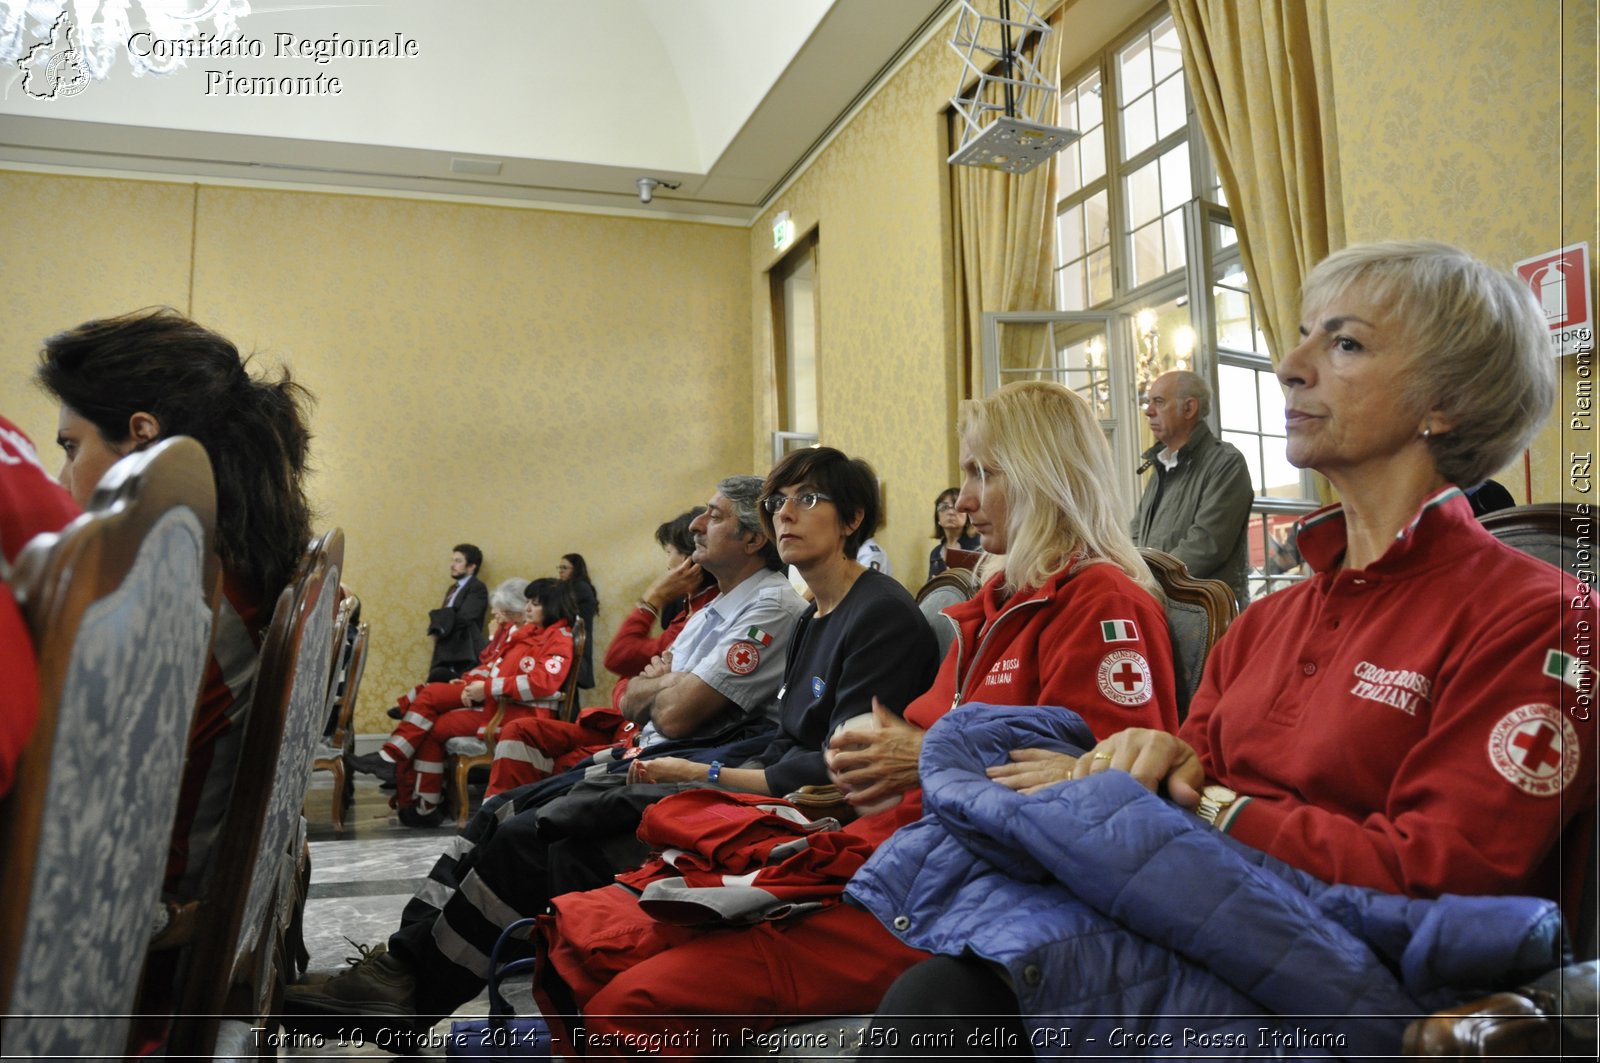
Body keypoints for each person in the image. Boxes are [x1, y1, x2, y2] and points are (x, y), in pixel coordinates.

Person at [853, 241, 1593, 1054]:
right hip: (1187, 932)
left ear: (1443, 402)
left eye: (1343, 343)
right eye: (1303, 335)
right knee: (941, 991)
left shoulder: (1538, 618)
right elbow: (1183, 767)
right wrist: (1141, 755)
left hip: (1359, 986)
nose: (1289, 365)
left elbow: (1442, 879)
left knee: (940, 1007)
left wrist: (1206, 803)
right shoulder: (1269, 621)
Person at [534, 381, 1180, 1053]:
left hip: (958, 893)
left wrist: (920, 758)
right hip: (886, 852)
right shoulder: (996, 605)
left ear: (1045, 476)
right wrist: (886, 759)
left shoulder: (1100, 604)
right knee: (588, 941)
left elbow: (1109, 805)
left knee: (633, 1002)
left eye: (982, 474)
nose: (959, 501)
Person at [284, 474, 810, 1029]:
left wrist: (665, 685)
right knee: (494, 812)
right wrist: (666, 683)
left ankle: (414, 998)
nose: (698, 525)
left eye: (715, 515)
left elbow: (676, 714)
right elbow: (631, 694)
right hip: (642, 749)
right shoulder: (713, 607)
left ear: (753, 539)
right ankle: (398, 963)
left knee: (521, 839)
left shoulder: (770, 606)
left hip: (678, 766)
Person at [36, 307, 315, 897]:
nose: (61, 480)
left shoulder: (162, 599)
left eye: (70, 447)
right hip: (180, 878)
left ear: (142, 434)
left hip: (122, 910)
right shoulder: (236, 562)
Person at [488, 513, 717, 795]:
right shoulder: (687, 610)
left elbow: (618, 659)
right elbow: (627, 674)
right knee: (520, 732)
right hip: (624, 720)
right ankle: (496, 821)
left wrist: (652, 598)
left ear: (689, 563)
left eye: (669, 553)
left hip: (640, 732)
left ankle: (503, 824)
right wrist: (633, 688)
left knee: (555, 758)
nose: (666, 565)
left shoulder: (704, 612)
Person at [367, 578, 575, 827]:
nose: (528, 608)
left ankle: (421, 798)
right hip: (500, 708)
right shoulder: (532, 633)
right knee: (433, 719)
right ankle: (422, 799)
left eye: (535, 603)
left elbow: (543, 683)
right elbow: (497, 667)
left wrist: (485, 689)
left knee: (432, 713)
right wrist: (473, 685)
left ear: (553, 607)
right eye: (528, 601)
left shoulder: (558, 638)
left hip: (518, 717)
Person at [1131, 369, 1254, 608]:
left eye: (1159, 402)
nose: (1148, 411)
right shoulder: (1162, 465)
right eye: (1148, 402)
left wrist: (1146, 583)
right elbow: (1137, 535)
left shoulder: (1226, 463)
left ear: (1189, 408)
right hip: (1161, 606)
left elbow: (1206, 545)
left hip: (1206, 618)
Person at [383, 577, 529, 722]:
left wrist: (492, 637)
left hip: (488, 685)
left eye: (500, 609)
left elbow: (493, 661)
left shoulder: (515, 630)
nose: (494, 612)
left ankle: (406, 706)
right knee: (437, 677)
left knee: (434, 687)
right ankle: (406, 705)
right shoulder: (506, 627)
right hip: (480, 677)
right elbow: (488, 659)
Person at [426, 544, 487, 682]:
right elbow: (447, 615)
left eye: (458, 561)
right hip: (445, 650)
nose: (452, 565)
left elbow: (465, 617)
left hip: (463, 651)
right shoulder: (453, 588)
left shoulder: (477, 587)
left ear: (472, 567)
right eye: (452, 560)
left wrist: (440, 628)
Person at [927, 485, 981, 579]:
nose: (951, 512)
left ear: (968, 516)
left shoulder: (979, 546)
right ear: (938, 518)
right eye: (944, 507)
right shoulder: (935, 553)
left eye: (957, 507)